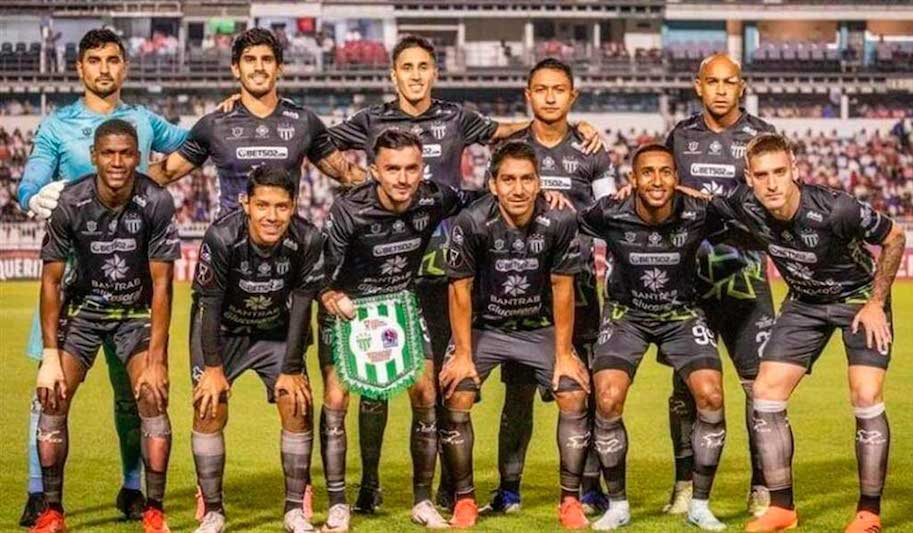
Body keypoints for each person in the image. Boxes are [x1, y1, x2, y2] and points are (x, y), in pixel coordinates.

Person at [327, 35, 601, 512]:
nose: (415, 75)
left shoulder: (456, 117)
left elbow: (506, 131)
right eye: (407, 67)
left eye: (423, 67)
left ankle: (444, 490)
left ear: (435, 72)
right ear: (393, 74)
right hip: (385, 269)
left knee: (436, 381)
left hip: (444, 264)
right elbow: (318, 141)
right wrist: (355, 178)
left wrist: (565, 124)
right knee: (375, 384)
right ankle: (369, 485)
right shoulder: (371, 120)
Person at [16, 28, 188, 526]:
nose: (104, 69)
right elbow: (31, 182)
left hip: (132, 292)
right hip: (73, 288)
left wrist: (228, 113)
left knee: (131, 397)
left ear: (124, 66)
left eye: (113, 59)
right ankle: (39, 493)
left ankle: (133, 488)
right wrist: (33, 197)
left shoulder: (144, 121)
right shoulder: (57, 124)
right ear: (80, 68)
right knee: (48, 389)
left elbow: (195, 142)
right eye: (94, 60)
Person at [704, 133, 904, 533]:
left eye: (780, 172)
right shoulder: (744, 203)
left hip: (858, 299)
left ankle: (868, 512)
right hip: (804, 302)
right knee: (765, 393)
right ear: (749, 178)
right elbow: (694, 199)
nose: (772, 184)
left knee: (866, 394)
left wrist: (876, 303)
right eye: (762, 175)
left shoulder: (837, 208)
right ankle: (782, 508)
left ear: (795, 169)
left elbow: (895, 237)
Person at [317, 128, 479, 531]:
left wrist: (547, 196)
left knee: (426, 390)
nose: (403, 178)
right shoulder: (348, 210)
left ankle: (422, 501)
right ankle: (337, 504)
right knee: (336, 396)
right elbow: (320, 273)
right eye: (392, 169)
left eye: (411, 168)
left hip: (400, 305)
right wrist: (330, 296)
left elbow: (480, 198)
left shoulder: (434, 197)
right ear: (375, 171)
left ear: (422, 169)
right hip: (349, 308)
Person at [30, 119, 179, 533]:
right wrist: (49, 356)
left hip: (135, 314)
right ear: (94, 156)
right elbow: (51, 282)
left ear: (138, 157)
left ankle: (154, 511)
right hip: (83, 312)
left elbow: (163, 286)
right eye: (108, 153)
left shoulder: (156, 200)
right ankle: (52, 512)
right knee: (52, 395)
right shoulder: (71, 201)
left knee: (152, 395)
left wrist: (157, 360)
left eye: (126, 153)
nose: (117, 162)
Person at [484, 57, 617, 516]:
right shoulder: (512, 148)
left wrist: (568, 214)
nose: (549, 97)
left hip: (577, 285)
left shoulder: (591, 150)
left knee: (585, 386)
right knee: (517, 392)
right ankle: (509, 488)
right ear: (528, 95)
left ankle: (588, 487)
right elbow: (492, 207)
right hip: (520, 286)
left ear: (572, 95)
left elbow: (609, 214)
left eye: (558, 89)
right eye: (540, 89)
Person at [577, 143, 730, 531]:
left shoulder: (699, 212)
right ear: (633, 179)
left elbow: (746, 213)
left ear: (677, 178)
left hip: (682, 314)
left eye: (665, 172)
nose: (657, 180)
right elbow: (562, 223)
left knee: (711, 395)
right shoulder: (610, 211)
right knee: (607, 398)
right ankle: (617, 505)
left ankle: (699, 505)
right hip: (626, 315)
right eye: (647, 172)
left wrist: (708, 197)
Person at [439, 141, 591, 529]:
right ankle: (464, 500)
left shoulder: (559, 220)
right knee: (457, 392)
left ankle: (570, 501)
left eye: (527, 179)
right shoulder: (472, 221)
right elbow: (459, 290)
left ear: (539, 183)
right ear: (493, 184)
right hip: (484, 329)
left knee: (573, 391)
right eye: (508, 180)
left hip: (537, 329)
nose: (518, 189)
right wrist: (462, 355)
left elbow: (562, 288)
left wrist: (564, 354)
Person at [663, 53, 778, 517]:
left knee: (759, 389)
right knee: (685, 388)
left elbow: (773, 206)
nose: (721, 90)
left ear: (741, 86)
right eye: (713, 82)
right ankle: (684, 484)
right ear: (699, 86)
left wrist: (714, 205)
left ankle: (762, 487)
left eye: (730, 82)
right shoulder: (680, 136)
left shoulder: (762, 137)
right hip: (690, 285)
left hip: (746, 282)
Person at [189, 166, 326, 533]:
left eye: (281, 207)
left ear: (294, 205)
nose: (272, 216)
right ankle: (213, 510)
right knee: (208, 406)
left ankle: (295, 510)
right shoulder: (221, 236)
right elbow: (209, 305)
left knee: (296, 402)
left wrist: (292, 368)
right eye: (262, 205)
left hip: (275, 331)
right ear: (245, 204)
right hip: (223, 332)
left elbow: (303, 305)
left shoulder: (308, 238)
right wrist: (213, 368)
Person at [148, 27, 364, 216]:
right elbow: (166, 172)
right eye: (250, 59)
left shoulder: (304, 122)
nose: (259, 67)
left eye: (267, 59)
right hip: (228, 244)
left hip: (287, 244)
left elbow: (346, 173)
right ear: (236, 68)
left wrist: (384, 177)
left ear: (279, 68)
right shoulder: (214, 124)